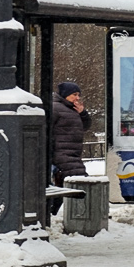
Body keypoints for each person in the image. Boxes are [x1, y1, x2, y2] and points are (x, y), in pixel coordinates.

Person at [51, 81, 91, 214]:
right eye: (74, 94)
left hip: (71, 153)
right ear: (65, 95)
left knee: (71, 184)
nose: (77, 98)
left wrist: (83, 113)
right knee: (77, 182)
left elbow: (85, 126)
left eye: (78, 94)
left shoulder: (72, 110)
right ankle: (80, 213)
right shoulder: (55, 108)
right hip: (62, 154)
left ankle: (56, 211)